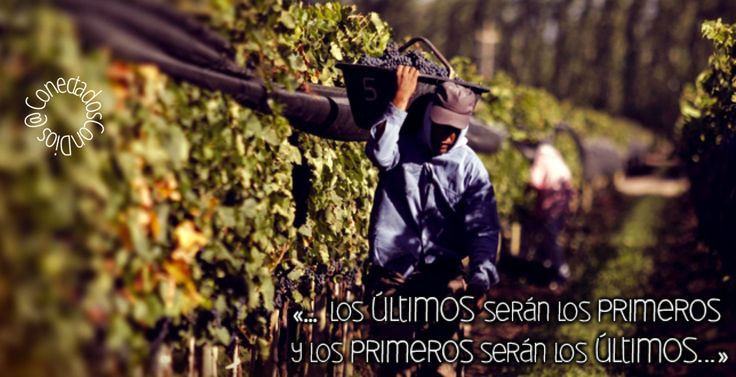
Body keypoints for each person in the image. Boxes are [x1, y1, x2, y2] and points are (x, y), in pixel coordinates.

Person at [363, 65, 501, 376]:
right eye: (440, 126)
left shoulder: (469, 168)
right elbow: (378, 153)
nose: (446, 136)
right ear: (428, 117)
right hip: (394, 275)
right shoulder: (402, 146)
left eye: (455, 130)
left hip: (444, 276)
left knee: (440, 367)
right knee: (393, 365)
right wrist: (399, 102)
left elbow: (484, 228)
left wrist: (480, 277)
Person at [527, 142, 574, 288]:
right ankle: (553, 269)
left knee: (550, 239)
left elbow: (535, 181)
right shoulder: (557, 159)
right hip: (562, 206)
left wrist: (528, 189)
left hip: (550, 207)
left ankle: (560, 271)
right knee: (553, 237)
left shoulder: (542, 159)